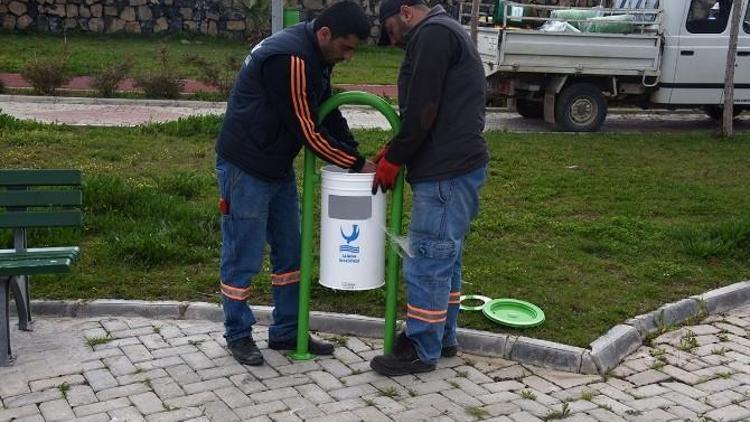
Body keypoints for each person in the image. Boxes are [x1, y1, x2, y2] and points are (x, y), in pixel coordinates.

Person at [215, 1, 375, 366]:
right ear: (324, 34)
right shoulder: (290, 59)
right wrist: (355, 164)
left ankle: (287, 331)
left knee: (290, 253)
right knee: (243, 257)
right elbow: (307, 130)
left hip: (275, 165)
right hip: (245, 167)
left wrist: (353, 149)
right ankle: (238, 334)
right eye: (346, 47)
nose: (349, 56)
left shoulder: (317, 56)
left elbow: (327, 109)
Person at [370, 0, 490, 376]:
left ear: (405, 12)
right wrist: (398, 147)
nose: (394, 40)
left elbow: (423, 108)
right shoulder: (446, 30)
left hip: (444, 171)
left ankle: (421, 348)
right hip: (458, 166)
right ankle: (443, 335)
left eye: (391, 30)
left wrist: (396, 158)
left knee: (428, 259)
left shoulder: (433, 35)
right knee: (446, 257)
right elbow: (434, 108)